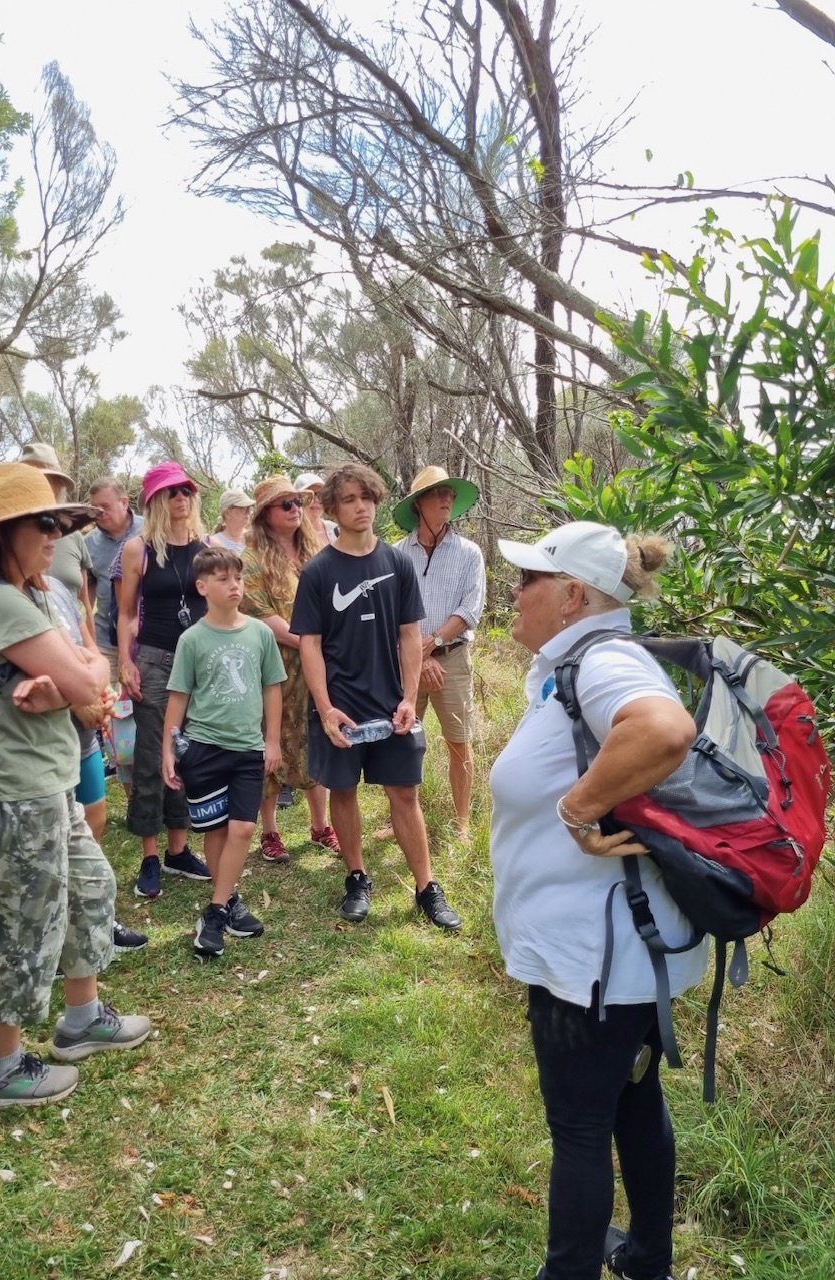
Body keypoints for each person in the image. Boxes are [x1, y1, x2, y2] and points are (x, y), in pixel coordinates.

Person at [490, 520, 707, 1280]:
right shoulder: (576, 664)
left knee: (580, 1128)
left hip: (595, 961)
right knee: (632, 1103)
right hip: (621, 954)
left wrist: (576, 811)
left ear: (573, 595)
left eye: (528, 581)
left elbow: (663, 728)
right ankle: (646, 1256)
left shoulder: (606, 660)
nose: (513, 593)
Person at [0, 464, 152, 1113]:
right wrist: (79, 682)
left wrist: (67, 682)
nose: (57, 535)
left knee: (90, 892)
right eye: (46, 523)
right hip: (13, 788)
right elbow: (93, 684)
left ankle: (81, 1021)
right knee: (24, 924)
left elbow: (96, 666)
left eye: (62, 523)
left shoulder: (25, 593)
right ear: (4, 531)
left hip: (48, 779)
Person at [291, 462, 461, 930]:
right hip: (341, 705)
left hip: (392, 705)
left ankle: (426, 888)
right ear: (332, 508)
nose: (360, 506)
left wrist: (408, 698)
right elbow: (309, 644)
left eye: (366, 497)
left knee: (404, 793)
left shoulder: (397, 563)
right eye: (349, 499)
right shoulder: (318, 573)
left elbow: (410, 635)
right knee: (342, 791)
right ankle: (357, 877)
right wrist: (325, 709)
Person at [19, 450, 146, 955]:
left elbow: (87, 622)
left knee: (93, 817)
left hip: (82, 721)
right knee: (50, 837)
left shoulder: (61, 562)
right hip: (41, 736)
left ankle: (88, 919)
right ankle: (58, 930)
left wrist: (95, 675)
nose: (53, 530)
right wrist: (83, 685)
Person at [162, 547, 286, 958]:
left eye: (237, 578)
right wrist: (168, 749)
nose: (234, 585)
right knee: (215, 831)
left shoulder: (260, 633)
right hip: (203, 747)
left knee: (243, 829)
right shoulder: (192, 639)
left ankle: (215, 910)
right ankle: (228, 900)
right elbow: (178, 697)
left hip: (248, 748)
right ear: (202, 587)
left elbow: (272, 686)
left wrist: (272, 739)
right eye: (222, 579)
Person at [118, 462, 210, 898]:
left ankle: (179, 850)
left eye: (186, 491)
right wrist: (124, 661)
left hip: (198, 663)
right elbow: (124, 613)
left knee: (190, 756)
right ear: (156, 500)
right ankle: (150, 856)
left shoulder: (205, 548)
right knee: (154, 756)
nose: (181, 498)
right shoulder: (137, 549)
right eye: (172, 492)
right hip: (154, 660)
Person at [241, 475, 341, 862]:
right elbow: (264, 617)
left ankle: (320, 826)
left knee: (317, 738)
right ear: (265, 514)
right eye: (286, 504)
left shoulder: (318, 554)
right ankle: (270, 833)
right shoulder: (250, 561)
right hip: (273, 668)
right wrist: (312, 643)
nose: (296, 509)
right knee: (272, 743)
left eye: (298, 503)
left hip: (318, 667)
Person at [387, 465, 486, 841]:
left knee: (459, 741)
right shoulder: (396, 555)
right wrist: (418, 657)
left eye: (449, 494)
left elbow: (469, 610)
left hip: (454, 661)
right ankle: (397, 819)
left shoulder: (469, 553)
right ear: (418, 506)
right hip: (404, 662)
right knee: (401, 740)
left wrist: (431, 646)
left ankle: (462, 824)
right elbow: (389, 616)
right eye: (437, 494)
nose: (446, 499)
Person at [19, 443, 96, 641]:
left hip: (73, 636)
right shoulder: (14, 543)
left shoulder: (75, 537)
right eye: (36, 481)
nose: (45, 489)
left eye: (51, 482)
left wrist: (93, 648)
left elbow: (85, 602)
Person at [84, 475, 142, 686]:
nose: (100, 512)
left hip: (143, 640)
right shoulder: (89, 543)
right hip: (104, 639)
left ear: (124, 502)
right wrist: (87, 639)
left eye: (105, 506)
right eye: (95, 508)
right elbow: (86, 595)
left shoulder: (150, 532)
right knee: (101, 704)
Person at [293, 472, 337, 547]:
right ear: (297, 499)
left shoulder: (334, 529)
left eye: (321, 495)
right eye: (309, 495)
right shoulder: (291, 536)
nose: (316, 500)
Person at [208, 487, 253, 552]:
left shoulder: (256, 539)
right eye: (242, 508)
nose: (248, 512)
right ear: (227, 513)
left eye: (249, 508)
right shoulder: (212, 543)